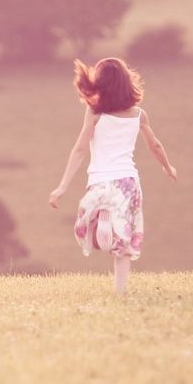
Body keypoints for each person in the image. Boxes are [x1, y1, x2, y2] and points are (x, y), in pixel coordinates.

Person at [49, 57, 178, 295]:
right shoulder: (139, 115)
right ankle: (120, 290)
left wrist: (62, 186)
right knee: (124, 243)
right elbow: (155, 146)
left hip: (100, 181)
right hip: (128, 183)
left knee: (86, 223)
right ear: (126, 83)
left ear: (101, 85)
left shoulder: (95, 113)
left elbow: (79, 149)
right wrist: (167, 167)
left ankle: (102, 224)